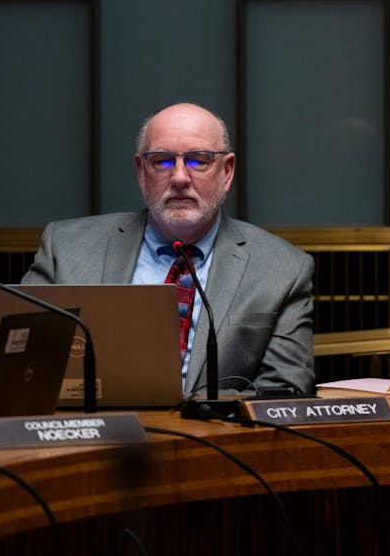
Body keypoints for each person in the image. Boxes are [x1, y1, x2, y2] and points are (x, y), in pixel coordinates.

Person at [23, 102, 316, 396]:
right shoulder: (66, 248)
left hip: (213, 435)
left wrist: (196, 413)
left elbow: (284, 390)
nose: (178, 177)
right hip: (94, 433)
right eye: (161, 161)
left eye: (198, 160)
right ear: (141, 171)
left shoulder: (283, 270)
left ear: (226, 172)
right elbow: (22, 366)